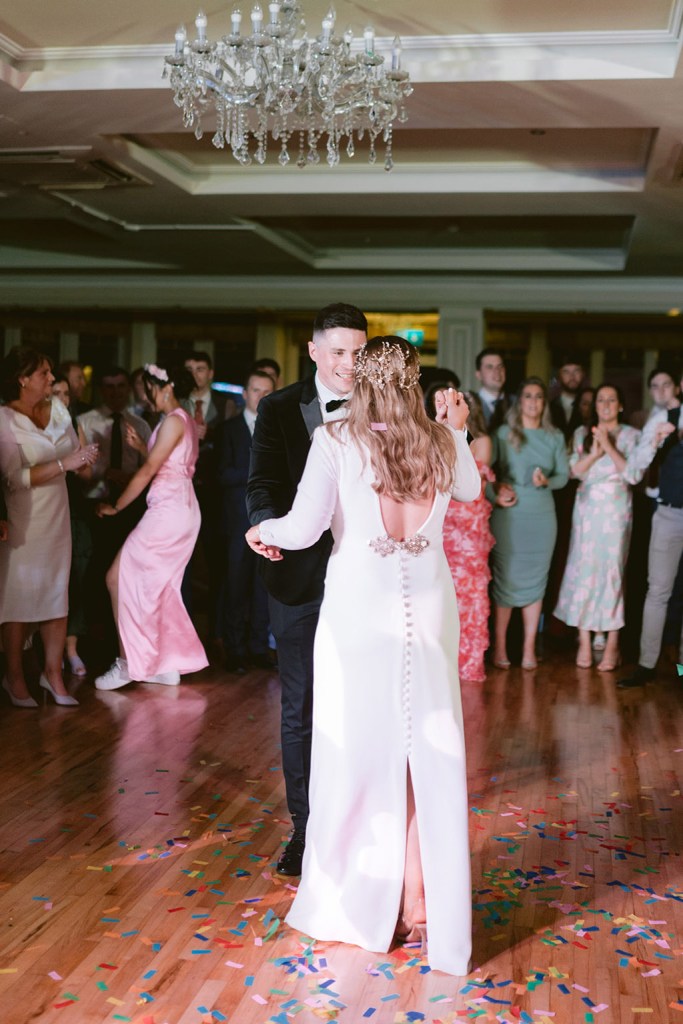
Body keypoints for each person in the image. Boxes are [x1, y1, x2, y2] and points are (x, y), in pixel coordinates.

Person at [246, 336, 481, 976]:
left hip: (358, 621)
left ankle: (367, 902)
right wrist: (456, 429)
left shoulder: (339, 440)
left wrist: (259, 531)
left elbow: (300, 529)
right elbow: (469, 490)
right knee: (425, 759)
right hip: (430, 616)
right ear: (412, 382)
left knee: (358, 757)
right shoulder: (437, 440)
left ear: (362, 384)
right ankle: (421, 902)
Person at [246, 302, 368, 877]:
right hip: (296, 574)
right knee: (300, 706)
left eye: (359, 352)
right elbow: (263, 484)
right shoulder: (276, 408)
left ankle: (359, 822)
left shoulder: (383, 408)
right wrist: (267, 531)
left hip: (362, 576)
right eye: (339, 351)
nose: (349, 363)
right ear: (314, 350)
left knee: (357, 705)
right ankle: (306, 828)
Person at [94, 363, 208, 690]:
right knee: (158, 586)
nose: (144, 396)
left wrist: (115, 507)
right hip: (178, 508)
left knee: (116, 577)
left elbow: (148, 472)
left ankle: (127, 663)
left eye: (148, 389)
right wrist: (143, 449)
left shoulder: (173, 421)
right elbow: (171, 463)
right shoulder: (180, 419)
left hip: (169, 512)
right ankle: (162, 664)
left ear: (166, 386)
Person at [0, 347, 99, 707]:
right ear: (22, 379)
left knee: (58, 596)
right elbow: (14, 477)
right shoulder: (5, 419)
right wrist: (65, 463)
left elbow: (77, 455)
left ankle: (53, 673)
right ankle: (14, 679)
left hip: (59, 515)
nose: (52, 379)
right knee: (18, 600)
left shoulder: (58, 409)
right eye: (44, 373)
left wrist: (85, 461)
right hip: (25, 519)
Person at [554, 384, 640, 670]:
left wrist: (609, 445)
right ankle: (584, 638)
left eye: (611, 400)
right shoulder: (581, 433)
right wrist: (594, 451)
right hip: (587, 510)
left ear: (620, 406)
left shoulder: (631, 435)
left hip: (615, 511)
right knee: (583, 570)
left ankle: (612, 642)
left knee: (612, 572)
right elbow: (572, 472)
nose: (605, 404)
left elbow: (632, 474)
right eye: (600, 400)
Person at [489, 377, 569, 669]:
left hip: (542, 513)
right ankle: (499, 649)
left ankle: (528, 650)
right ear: (519, 401)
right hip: (510, 512)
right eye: (528, 396)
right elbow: (486, 471)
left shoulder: (554, 436)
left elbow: (563, 475)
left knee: (537, 582)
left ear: (544, 403)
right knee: (505, 579)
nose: (533, 402)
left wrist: (548, 480)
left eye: (538, 397)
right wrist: (493, 492)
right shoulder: (503, 432)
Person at [618, 399, 683, 688]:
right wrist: (656, 442)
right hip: (668, 514)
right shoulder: (663, 418)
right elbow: (637, 465)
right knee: (657, 591)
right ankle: (646, 665)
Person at [217, 369, 275, 673]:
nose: (261, 396)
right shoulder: (228, 429)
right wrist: (256, 476)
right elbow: (220, 474)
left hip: (270, 521)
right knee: (236, 587)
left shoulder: (279, 428)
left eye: (267, 391)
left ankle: (258, 648)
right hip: (237, 521)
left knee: (263, 588)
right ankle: (235, 651)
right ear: (245, 393)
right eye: (256, 390)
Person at [438, 391, 494, 682]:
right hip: (446, 520)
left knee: (471, 590)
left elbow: (467, 474)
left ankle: (470, 661)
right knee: (447, 589)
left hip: (470, 523)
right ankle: (444, 661)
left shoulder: (482, 441)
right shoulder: (438, 434)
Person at [52, 374, 93, 677]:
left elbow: (87, 475)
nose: (63, 398)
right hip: (43, 508)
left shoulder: (74, 423)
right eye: (57, 392)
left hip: (74, 507)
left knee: (76, 580)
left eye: (66, 393)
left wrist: (85, 461)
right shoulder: (34, 425)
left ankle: (71, 649)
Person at [474, 348, 512, 433]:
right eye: (490, 367)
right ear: (478, 374)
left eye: (500, 366)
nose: (497, 372)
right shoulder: (469, 405)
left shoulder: (518, 403)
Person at [549, 358, 585, 441]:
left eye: (576, 371)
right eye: (566, 372)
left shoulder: (592, 405)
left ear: (583, 374)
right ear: (559, 376)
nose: (572, 377)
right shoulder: (549, 407)